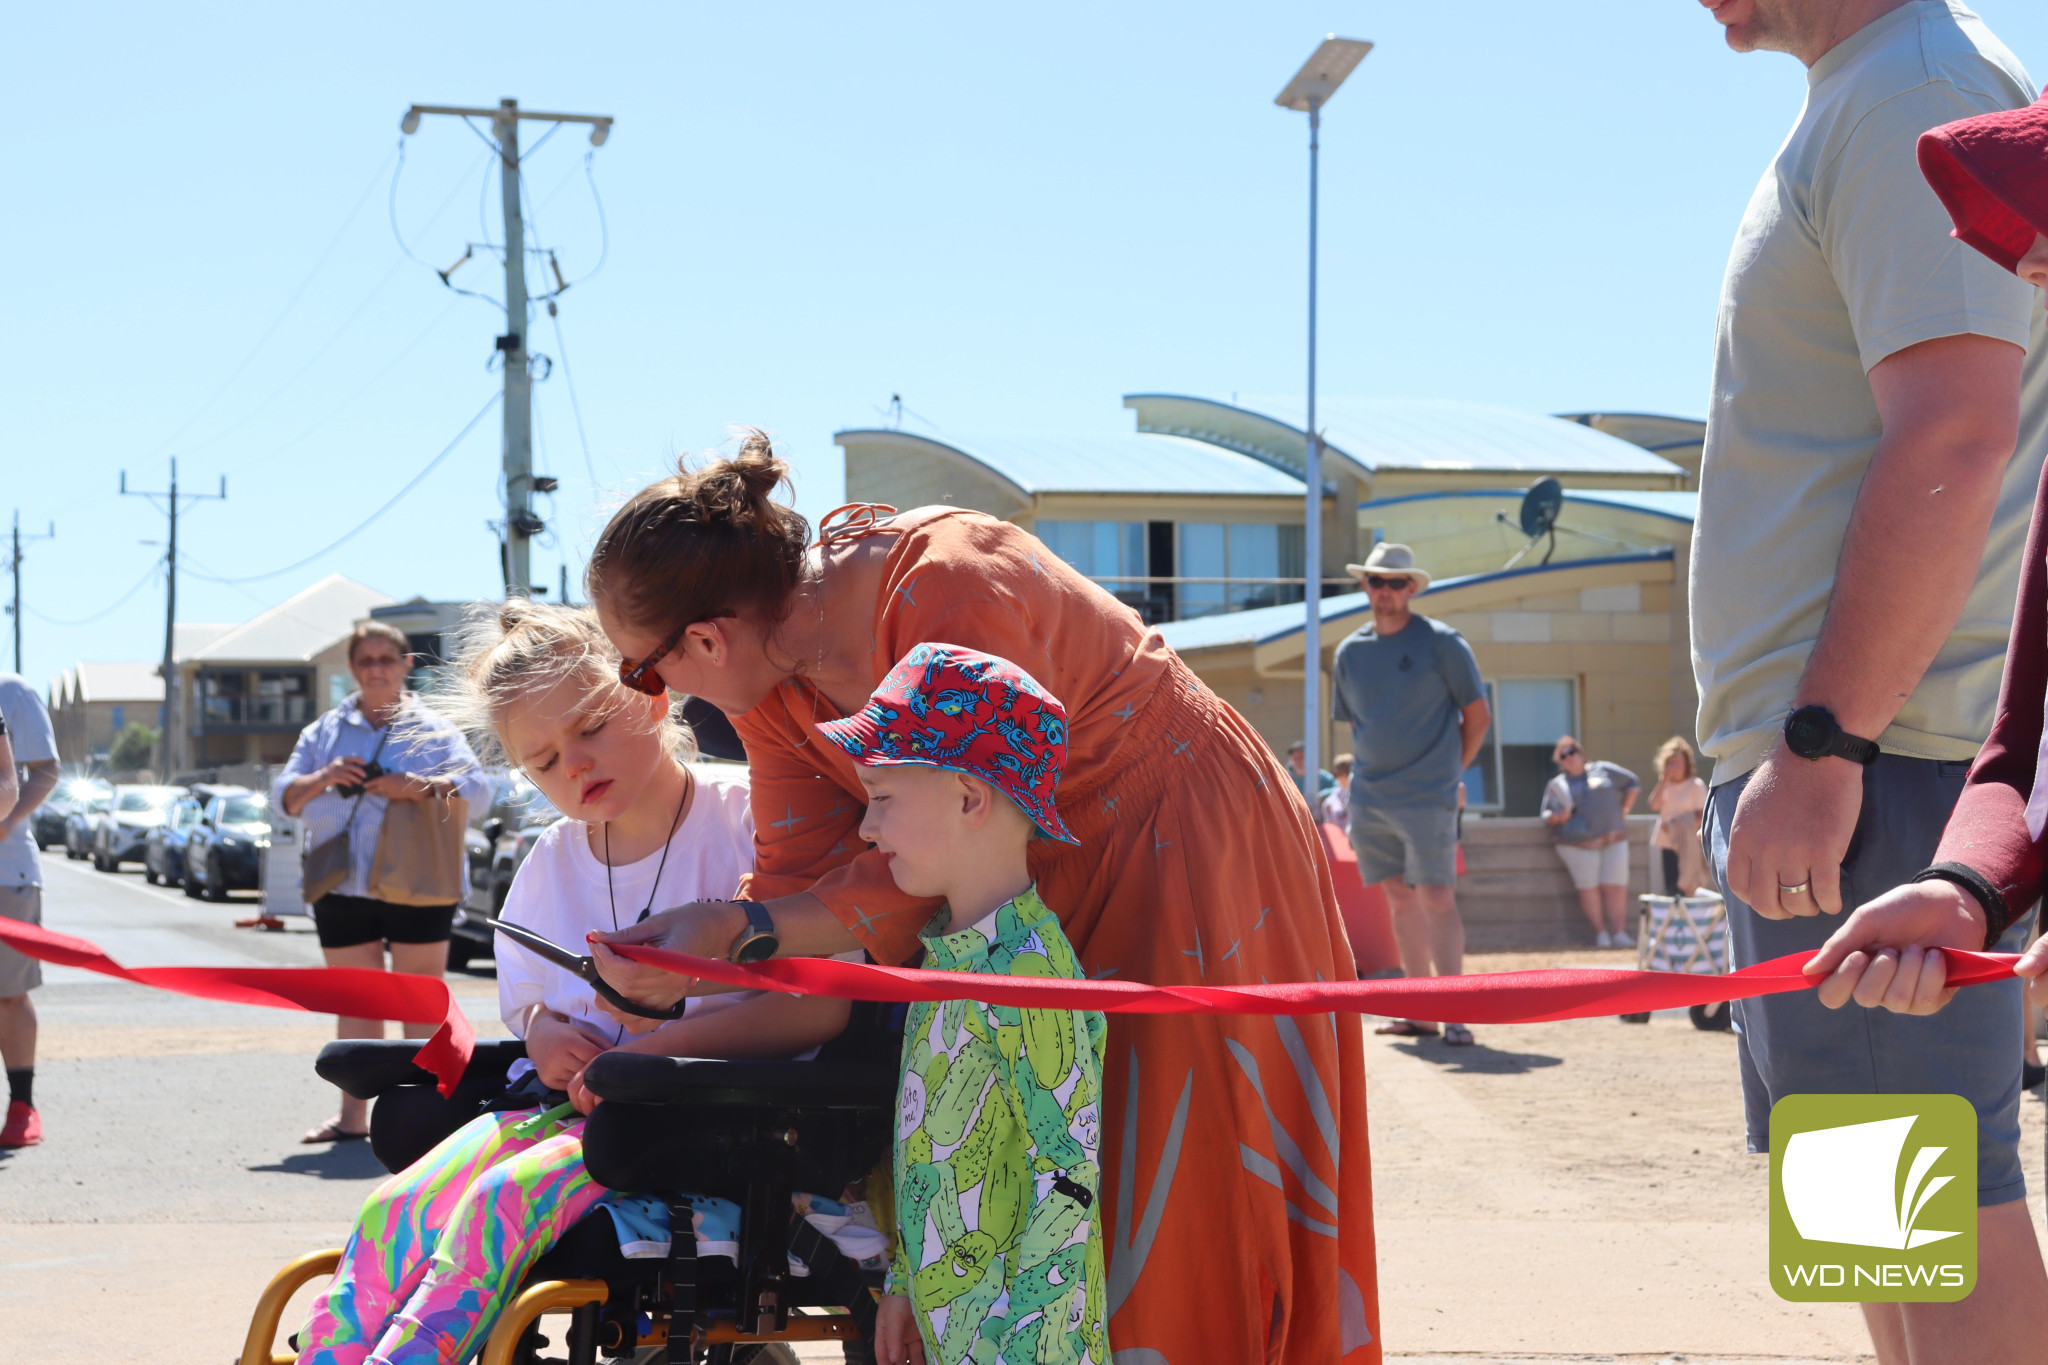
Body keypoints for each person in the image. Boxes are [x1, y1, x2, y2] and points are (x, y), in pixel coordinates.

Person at [577, 435, 1379, 1363]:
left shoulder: (944, 582)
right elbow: (809, 886)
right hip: (1017, 896)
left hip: (1176, 835)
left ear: (705, 638)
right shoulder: (773, 688)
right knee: (1086, 1192)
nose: (657, 694)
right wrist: (719, 946)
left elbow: (954, 822)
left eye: (643, 670)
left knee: (1187, 1194)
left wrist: (742, 933)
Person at [1690, 3, 2048, 1359]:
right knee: (1876, 1223)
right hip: (1852, 760)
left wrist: (1827, 742)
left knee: (1931, 1209)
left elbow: (1957, 424)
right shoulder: (1877, 92)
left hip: (1881, 762)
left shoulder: (1918, 88)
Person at [295, 601, 860, 1365]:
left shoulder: (749, 821)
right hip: (573, 1113)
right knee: (394, 1207)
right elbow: (530, 1000)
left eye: (590, 727)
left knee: (496, 1206)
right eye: (545, 760)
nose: (576, 764)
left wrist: (655, 1057)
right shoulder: (552, 859)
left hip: (726, 1124)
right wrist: (546, 1035)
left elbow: (821, 1008)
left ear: (652, 694)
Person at [819, 644, 1106, 1365]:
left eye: (882, 797)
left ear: (971, 798)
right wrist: (904, 1282)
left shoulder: (1028, 970)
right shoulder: (949, 956)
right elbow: (929, 1154)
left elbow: (1067, 1176)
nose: (866, 828)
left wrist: (1024, 1347)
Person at [276, 622, 493, 1144]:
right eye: (366, 660)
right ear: (353, 668)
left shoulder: (433, 728)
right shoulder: (325, 731)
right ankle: (353, 1120)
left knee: (419, 1004)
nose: (376, 669)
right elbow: (284, 797)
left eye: (386, 659)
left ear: (406, 665)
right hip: (342, 884)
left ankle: (426, 1125)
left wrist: (416, 788)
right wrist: (326, 776)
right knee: (358, 1006)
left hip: (419, 881)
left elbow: (481, 795)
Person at [1330, 541, 1490, 1046]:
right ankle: (1420, 1012)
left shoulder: (1444, 644)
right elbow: (1358, 726)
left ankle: (1455, 1013)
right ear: (1365, 585)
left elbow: (1478, 719)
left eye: (1396, 583)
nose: (1386, 591)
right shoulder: (1349, 652)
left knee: (1437, 899)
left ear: (1412, 588)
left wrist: (1446, 774)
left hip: (1428, 797)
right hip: (1372, 797)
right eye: (1377, 581)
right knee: (1399, 901)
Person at [0, 672, 58, 1149]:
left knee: (8, 992)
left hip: (7, 871)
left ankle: (22, 1105)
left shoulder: (11, 692)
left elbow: (45, 769)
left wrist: (9, 823)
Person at [1541, 737, 1640, 948]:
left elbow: (1633, 783)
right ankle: (1601, 934)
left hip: (1614, 838)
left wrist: (1625, 810)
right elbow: (1546, 814)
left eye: (1572, 751)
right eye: (1563, 755)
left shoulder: (1602, 769)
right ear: (1560, 761)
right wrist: (1558, 817)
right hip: (1578, 845)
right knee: (1589, 888)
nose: (1569, 757)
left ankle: (1619, 933)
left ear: (1582, 753)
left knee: (1615, 886)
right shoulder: (1558, 784)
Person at [1646, 736, 1709, 896]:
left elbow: (1702, 815)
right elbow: (1654, 805)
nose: (1673, 766)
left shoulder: (1696, 785)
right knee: (1671, 887)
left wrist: (1677, 824)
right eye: (1670, 762)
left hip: (1688, 843)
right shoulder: (1665, 786)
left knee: (1689, 884)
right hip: (1668, 843)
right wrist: (1664, 780)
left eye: (1677, 762)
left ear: (1686, 763)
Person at [1321, 753, 1354, 828]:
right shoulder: (1332, 799)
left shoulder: (1361, 794)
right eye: (1336, 774)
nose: (1337, 778)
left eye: (1339, 774)